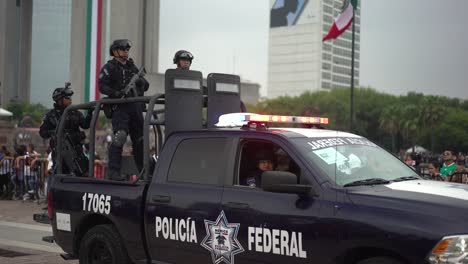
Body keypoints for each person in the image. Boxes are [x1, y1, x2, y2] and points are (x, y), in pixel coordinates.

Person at [98, 39, 149, 180]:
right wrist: (116, 93)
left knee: (140, 141)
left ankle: (144, 172)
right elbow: (102, 86)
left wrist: (140, 81)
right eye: (123, 49)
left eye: (127, 50)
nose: (126, 52)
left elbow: (146, 86)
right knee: (119, 137)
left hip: (135, 107)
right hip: (121, 107)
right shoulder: (110, 67)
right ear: (115, 51)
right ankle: (113, 171)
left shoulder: (132, 67)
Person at [39, 83, 92, 176]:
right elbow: (43, 132)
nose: (70, 100)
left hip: (77, 151)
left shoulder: (75, 113)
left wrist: (90, 113)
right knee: (61, 174)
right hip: (61, 152)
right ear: (59, 100)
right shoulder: (51, 115)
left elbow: (85, 125)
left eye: (70, 98)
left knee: (83, 172)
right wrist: (56, 133)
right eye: (67, 98)